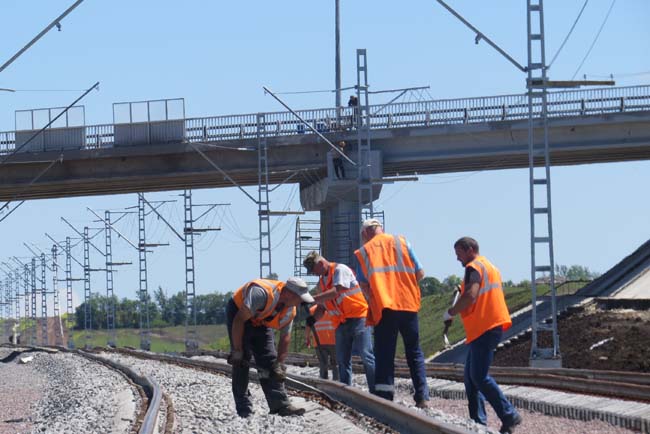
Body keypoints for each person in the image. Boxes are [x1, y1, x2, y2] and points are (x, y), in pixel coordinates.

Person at [444, 237, 522, 433]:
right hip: (487, 325)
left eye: (459, 253)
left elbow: (471, 295)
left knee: (479, 376)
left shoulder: (473, 267)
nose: (457, 258)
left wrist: (451, 312)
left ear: (470, 249)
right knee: (471, 377)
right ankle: (478, 422)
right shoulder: (489, 266)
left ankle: (508, 414)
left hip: (485, 326)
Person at [353, 219, 429, 408]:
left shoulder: (365, 251)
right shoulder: (402, 241)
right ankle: (422, 396)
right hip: (409, 304)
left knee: (385, 353)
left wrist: (376, 296)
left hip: (385, 307)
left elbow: (363, 285)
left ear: (365, 234)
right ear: (381, 229)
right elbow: (420, 273)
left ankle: (385, 397)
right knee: (414, 351)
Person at [226, 276, 314, 418]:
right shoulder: (261, 294)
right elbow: (239, 320)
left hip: (261, 320)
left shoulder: (290, 310)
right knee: (242, 360)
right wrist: (237, 350)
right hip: (239, 314)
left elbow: (285, 338)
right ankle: (244, 410)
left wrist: (279, 363)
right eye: (300, 298)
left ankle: (281, 406)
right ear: (289, 293)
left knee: (269, 361)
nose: (301, 302)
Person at [303, 251, 376, 392]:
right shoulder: (321, 283)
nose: (313, 273)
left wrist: (312, 299)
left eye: (313, 270)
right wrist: (313, 319)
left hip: (358, 317)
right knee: (342, 360)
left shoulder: (339, 270)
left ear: (321, 263)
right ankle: (345, 392)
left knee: (366, 356)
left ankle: (375, 391)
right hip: (341, 322)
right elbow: (322, 307)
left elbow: (337, 290)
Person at [304, 304, 339, 381]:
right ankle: (337, 382)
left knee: (323, 364)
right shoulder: (331, 307)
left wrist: (307, 338)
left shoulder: (312, 310)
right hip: (333, 341)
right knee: (335, 364)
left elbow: (308, 325)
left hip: (319, 341)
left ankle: (323, 381)